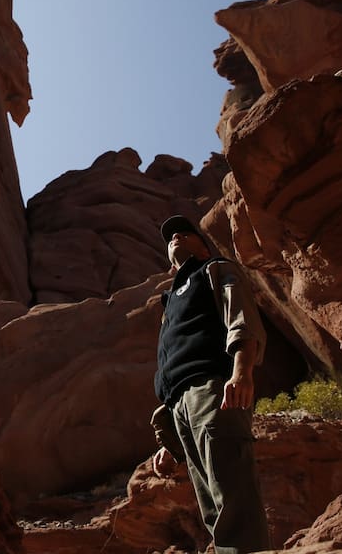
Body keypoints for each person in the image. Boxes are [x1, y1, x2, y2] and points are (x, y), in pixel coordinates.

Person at [149, 215, 270, 554]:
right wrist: (169, 441)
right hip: (180, 406)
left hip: (213, 389)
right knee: (212, 509)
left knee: (233, 495)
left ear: (203, 247)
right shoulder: (170, 302)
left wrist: (241, 371)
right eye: (170, 236)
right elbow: (171, 366)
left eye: (185, 233)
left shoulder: (214, 269)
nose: (175, 236)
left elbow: (240, 316)